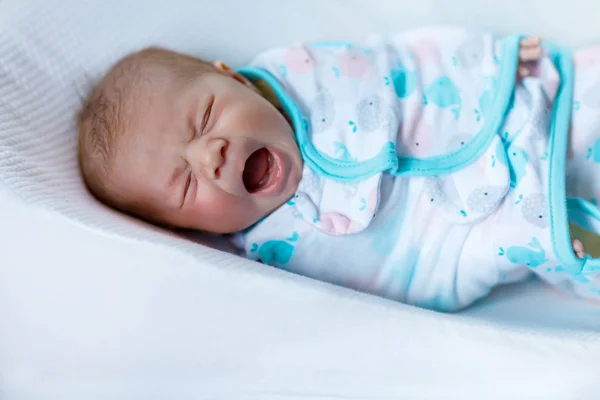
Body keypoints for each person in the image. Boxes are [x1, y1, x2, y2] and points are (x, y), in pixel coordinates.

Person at [78, 27, 600, 311]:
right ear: (189, 231)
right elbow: (398, 275)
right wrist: (492, 245)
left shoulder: (306, 72)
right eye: (187, 183)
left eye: (206, 116)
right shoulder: (283, 253)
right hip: (496, 227)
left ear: (232, 77)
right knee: (555, 240)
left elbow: (397, 63)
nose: (209, 155)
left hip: (525, 105)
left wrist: (489, 60)